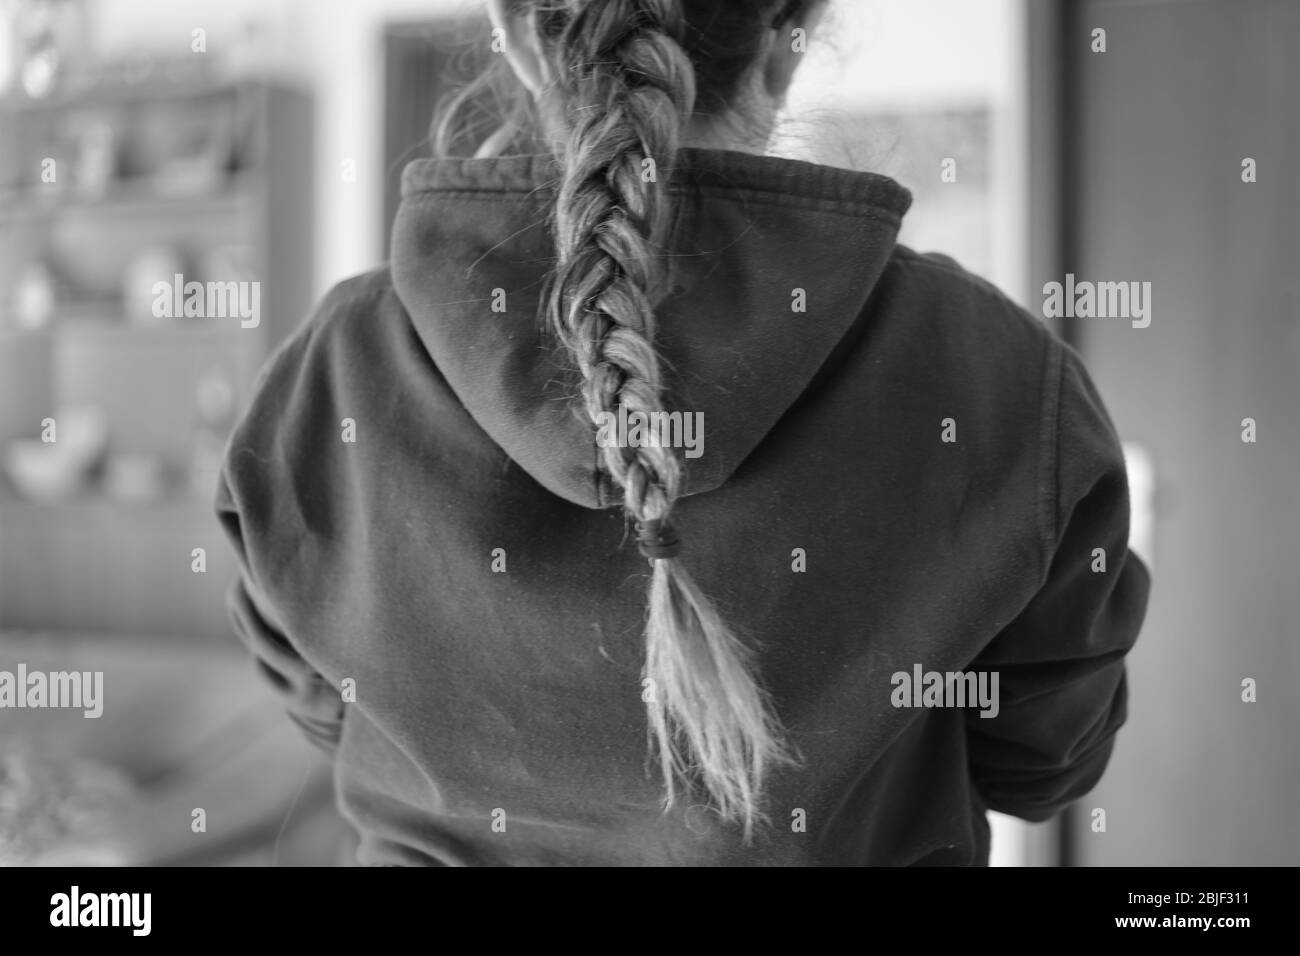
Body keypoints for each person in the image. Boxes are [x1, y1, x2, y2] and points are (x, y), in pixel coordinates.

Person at [215, 0, 1150, 866]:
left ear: (518, 29)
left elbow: (323, 708)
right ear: (793, 33)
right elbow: (1044, 765)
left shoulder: (326, 374)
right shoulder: (1001, 378)